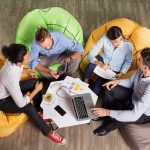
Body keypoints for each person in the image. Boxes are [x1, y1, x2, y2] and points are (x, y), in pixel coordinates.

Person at [0, 44, 67, 144]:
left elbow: (19, 68)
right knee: (29, 107)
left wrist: (27, 72)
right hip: (3, 101)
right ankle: (48, 132)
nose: (29, 58)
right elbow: (21, 103)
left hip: (8, 89)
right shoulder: (11, 75)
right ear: (20, 61)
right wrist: (36, 90)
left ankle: (39, 112)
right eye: (27, 58)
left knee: (34, 81)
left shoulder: (11, 60)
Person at [91, 48, 150, 136]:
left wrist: (107, 112)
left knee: (124, 117)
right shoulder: (140, 70)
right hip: (134, 96)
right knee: (109, 88)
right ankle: (106, 115)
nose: (138, 60)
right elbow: (130, 82)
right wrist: (117, 82)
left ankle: (108, 127)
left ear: (146, 67)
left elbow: (134, 115)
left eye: (139, 60)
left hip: (143, 113)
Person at [84, 26, 133, 94]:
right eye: (115, 42)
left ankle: (95, 89)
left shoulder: (128, 46)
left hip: (114, 69)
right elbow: (90, 55)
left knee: (96, 89)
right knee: (91, 65)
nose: (119, 43)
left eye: (121, 39)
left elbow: (128, 61)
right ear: (110, 39)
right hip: (103, 59)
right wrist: (100, 64)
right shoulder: (104, 38)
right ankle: (85, 82)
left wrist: (121, 73)